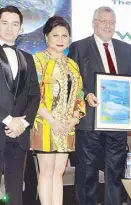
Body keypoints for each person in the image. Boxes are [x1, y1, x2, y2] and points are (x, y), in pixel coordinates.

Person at [68, 6, 131, 205]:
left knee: (115, 174)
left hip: (118, 122)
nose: (108, 26)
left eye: (112, 22)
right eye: (103, 21)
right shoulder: (79, 47)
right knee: (87, 174)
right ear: (94, 23)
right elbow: (72, 81)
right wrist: (85, 95)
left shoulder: (126, 48)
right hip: (90, 121)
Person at [0, 5, 40, 205]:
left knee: (16, 193)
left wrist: (22, 124)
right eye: (4, 23)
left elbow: (35, 95)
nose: (9, 28)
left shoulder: (28, 58)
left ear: (21, 28)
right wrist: (8, 120)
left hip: (19, 134)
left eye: (15, 24)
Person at [30, 16, 86, 205]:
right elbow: (33, 96)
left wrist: (74, 119)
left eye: (64, 35)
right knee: (46, 172)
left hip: (67, 127)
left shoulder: (72, 65)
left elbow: (80, 96)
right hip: (45, 124)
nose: (60, 40)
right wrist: (52, 121)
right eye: (55, 35)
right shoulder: (37, 61)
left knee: (59, 172)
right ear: (46, 37)